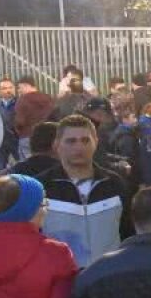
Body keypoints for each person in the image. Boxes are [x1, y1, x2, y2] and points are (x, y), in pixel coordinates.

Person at [39, 114, 134, 270]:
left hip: (107, 278)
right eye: (71, 141)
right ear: (57, 145)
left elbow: (128, 232)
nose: (79, 147)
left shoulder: (114, 184)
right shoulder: (42, 187)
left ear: (95, 142)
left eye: (85, 140)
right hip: (60, 282)